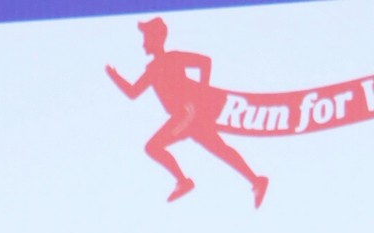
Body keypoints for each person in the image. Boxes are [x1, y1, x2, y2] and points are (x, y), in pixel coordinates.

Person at [105, 19, 272, 207]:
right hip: (189, 116)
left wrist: (202, 93)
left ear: (156, 38)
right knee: (220, 148)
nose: (144, 43)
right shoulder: (152, 69)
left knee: (153, 146)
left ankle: (184, 181)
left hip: (186, 115)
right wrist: (115, 76)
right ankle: (256, 180)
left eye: (147, 38)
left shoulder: (173, 58)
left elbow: (205, 62)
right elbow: (133, 92)